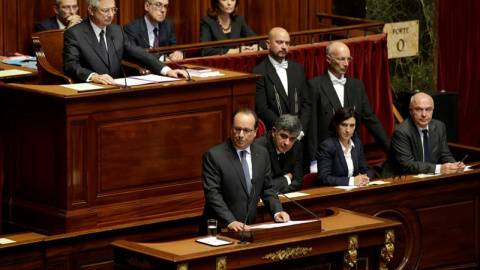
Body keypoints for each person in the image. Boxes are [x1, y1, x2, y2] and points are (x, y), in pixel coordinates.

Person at [201, 108, 290, 232]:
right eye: (237, 129)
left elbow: (267, 188)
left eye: (247, 130)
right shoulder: (214, 156)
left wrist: (277, 211)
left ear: (255, 132)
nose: (241, 135)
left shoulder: (261, 153)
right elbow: (212, 194)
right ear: (231, 128)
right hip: (220, 229)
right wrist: (230, 221)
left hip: (249, 227)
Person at [307, 41, 390, 173]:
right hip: (328, 155)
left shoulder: (357, 86)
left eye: (348, 59)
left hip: (352, 153)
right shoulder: (315, 85)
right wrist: (313, 161)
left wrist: (390, 148)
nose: (346, 63)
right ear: (328, 59)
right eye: (341, 59)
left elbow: (370, 119)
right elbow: (312, 127)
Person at [63, 0, 186, 85]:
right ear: (91, 10)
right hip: (89, 90)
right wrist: (94, 76)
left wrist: (167, 70)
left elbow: (138, 53)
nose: (111, 15)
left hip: (116, 89)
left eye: (113, 10)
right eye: (105, 10)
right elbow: (71, 65)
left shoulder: (117, 31)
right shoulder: (75, 33)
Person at [382, 92, 466, 177]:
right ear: (410, 111)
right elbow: (408, 165)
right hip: (401, 179)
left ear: (433, 110)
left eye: (428, 109)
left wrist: (455, 165)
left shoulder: (439, 127)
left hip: (429, 176)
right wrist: (440, 168)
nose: (424, 114)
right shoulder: (401, 132)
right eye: (418, 109)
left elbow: (444, 154)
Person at [252, 27, 311, 134]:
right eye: (279, 42)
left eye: (287, 43)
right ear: (268, 44)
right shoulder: (259, 72)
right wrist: (285, 129)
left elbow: (306, 103)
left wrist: (300, 129)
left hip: (299, 134)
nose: (284, 47)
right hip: (275, 133)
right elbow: (262, 109)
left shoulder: (298, 69)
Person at [317, 107, 372, 186]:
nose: (348, 130)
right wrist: (352, 181)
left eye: (352, 125)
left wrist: (365, 179)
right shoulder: (327, 146)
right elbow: (324, 178)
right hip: (335, 194)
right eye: (344, 125)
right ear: (336, 125)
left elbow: (366, 170)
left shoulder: (357, 143)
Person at [254, 114, 303, 193]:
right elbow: (260, 187)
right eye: (283, 136)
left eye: (292, 139)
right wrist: (286, 179)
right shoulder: (259, 147)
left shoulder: (296, 145)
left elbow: (297, 182)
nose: (287, 143)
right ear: (274, 132)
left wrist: (277, 185)